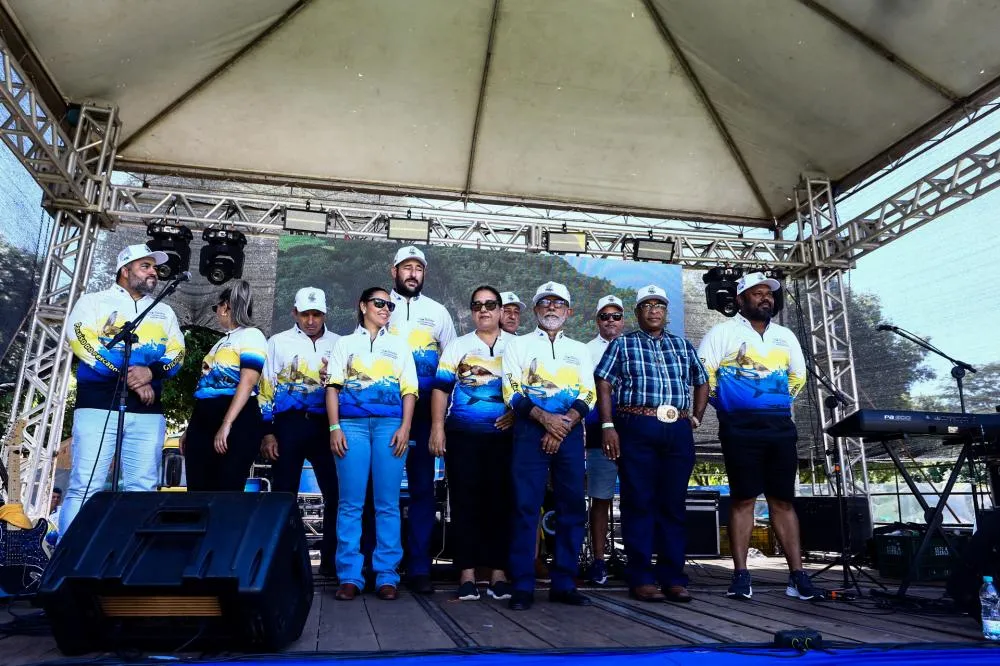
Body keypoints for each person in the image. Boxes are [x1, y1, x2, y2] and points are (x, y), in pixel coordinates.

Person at [696, 271, 817, 601]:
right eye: (757, 293)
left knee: (783, 500)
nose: (766, 298)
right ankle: (740, 575)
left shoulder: (785, 336)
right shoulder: (722, 332)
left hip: (780, 428)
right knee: (743, 499)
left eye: (769, 293)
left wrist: (774, 402)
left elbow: (798, 376)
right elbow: (703, 373)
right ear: (739, 299)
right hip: (739, 428)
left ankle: (797, 576)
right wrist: (727, 404)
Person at [60, 243, 184, 536]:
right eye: (146, 266)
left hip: (148, 412)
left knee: (143, 488)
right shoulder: (93, 302)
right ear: (125, 271)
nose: (154, 272)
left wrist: (150, 373)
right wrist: (130, 377)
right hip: (97, 406)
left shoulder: (164, 311)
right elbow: (81, 340)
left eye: (155, 268)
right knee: (85, 485)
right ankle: (67, 558)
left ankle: (130, 558)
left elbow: (178, 352)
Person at [595, 285, 708, 603]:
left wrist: (696, 418)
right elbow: (603, 382)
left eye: (659, 305)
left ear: (666, 312)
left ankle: (673, 577)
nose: (654, 310)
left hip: (677, 428)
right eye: (647, 305)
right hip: (637, 425)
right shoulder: (623, 343)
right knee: (639, 503)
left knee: (673, 504)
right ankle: (642, 577)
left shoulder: (682, 345)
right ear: (637, 313)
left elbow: (702, 380)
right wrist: (608, 425)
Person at [501, 282, 596, 610]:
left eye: (558, 303)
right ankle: (522, 585)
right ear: (536, 310)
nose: (552, 307)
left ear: (568, 311)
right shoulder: (518, 345)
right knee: (525, 508)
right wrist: (546, 420)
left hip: (569, 433)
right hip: (529, 432)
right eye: (545, 303)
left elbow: (589, 393)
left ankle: (564, 583)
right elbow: (512, 390)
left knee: (572, 508)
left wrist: (562, 424)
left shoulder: (580, 350)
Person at [326, 287, 417, 601]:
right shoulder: (345, 343)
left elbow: (409, 390)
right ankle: (350, 575)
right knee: (350, 503)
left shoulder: (399, 345)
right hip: (351, 427)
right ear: (363, 306)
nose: (386, 308)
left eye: (389, 305)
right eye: (379, 303)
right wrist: (334, 427)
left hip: (390, 427)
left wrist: (405, 427)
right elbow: (332, 387)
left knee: (387, 503)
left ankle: (387, 575)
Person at [430, 285, 514, 601]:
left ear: (501, 310)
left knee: (500, 505)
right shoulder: (458, 346)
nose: (484, 310)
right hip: (462, 437)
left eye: (490, 305)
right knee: (464, 505)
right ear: (471, 312)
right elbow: (440, 389)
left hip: (505, 440)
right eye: (477, 305)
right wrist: (437, 428)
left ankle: (498, 574)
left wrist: (518, 415)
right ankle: (466, 574)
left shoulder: (517, 346)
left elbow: (527, 389)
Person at [387, 245, 456, 593]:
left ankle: (418, 568)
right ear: (394, 271)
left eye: (418, 268)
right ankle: (380, 566)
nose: (413, 274)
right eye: (406, 267)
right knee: (382, 491)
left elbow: (451, 363)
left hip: (427, 413)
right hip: (387, 410)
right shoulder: (380, 305)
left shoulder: (438, 312)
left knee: (422, 491)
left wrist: (441, 421)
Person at [259, 287, 341, 576]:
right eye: (305, 314)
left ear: (325, 314)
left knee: (336, 493)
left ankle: (331, 562)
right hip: (288, 424)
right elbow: (265, 387)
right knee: (283, 495)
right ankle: (284, 564)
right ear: (294, 313)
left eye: (317, 314)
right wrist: (267, 432)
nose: (311, 320)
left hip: (326, 425)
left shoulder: (339, 343)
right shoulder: (277, 342)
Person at [182, 280, 266, 491]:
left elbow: (248, 381)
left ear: (225, 307)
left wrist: (227, 423)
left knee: (226, 488)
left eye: (216, 307)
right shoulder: (221, 342)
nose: (216, 313)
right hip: (204, 418)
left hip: (235, 417)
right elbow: (205, 388)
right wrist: (190, 429)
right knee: (197, 489)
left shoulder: (252, 335)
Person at [583, 294, 625, 586]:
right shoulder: (585, 351)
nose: (610, 321)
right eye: (605, 316)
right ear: (596, 320)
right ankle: (598, 560)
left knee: (638, 499)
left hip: (635, 432)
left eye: (616, 316)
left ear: (623, 320)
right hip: (599, 433)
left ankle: (636, 559)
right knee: (600, 498)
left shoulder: (634, 346)